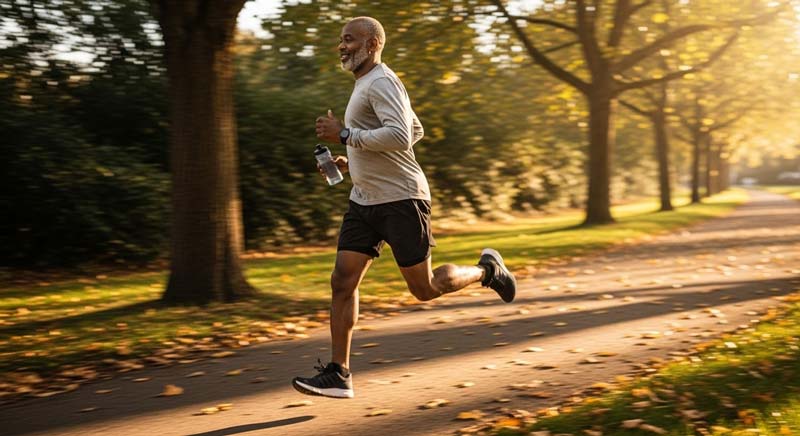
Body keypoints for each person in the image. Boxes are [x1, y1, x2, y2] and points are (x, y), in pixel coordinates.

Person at [292, 16, 516, 399]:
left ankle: (486, 270)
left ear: (373, 43)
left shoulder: (382, 80)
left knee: (425, 289)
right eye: (341, 41)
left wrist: (345, 135)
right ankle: (338, 373)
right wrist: (354, 160)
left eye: (350, 39)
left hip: (400, 199)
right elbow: (414, 129)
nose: (342, 46)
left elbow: (399, 137)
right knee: (342, 281)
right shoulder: (366, 84)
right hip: (364, 199)